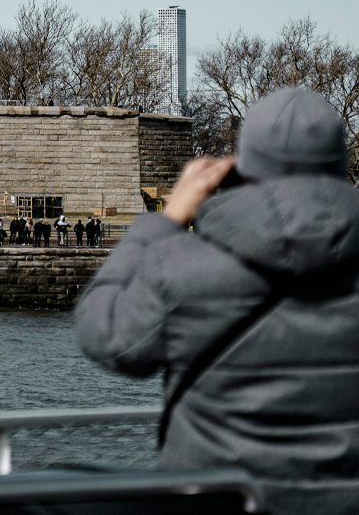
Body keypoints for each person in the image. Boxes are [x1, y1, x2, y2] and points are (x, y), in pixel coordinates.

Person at [77, 86, 359, 515]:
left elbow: (108, 338)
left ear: (240, 169)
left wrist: (165, 221)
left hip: (219, 496)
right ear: (340, 164)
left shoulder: (180, 266)